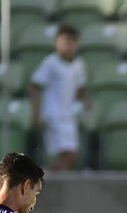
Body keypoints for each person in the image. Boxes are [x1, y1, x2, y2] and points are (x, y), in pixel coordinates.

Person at [28, 24, 89, 171]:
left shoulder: (79, 64)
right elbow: (35, 86)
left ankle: (42, 177)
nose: (66, 46)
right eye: (62, 41)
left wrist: (86, 101)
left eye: (70, 42)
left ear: (76, 44)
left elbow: (80, 88)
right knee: (68, 155)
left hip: (69, 116)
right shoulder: (51, 63)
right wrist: (35, 113)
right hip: (53, 116)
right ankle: (42, 179)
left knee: (69, 159)